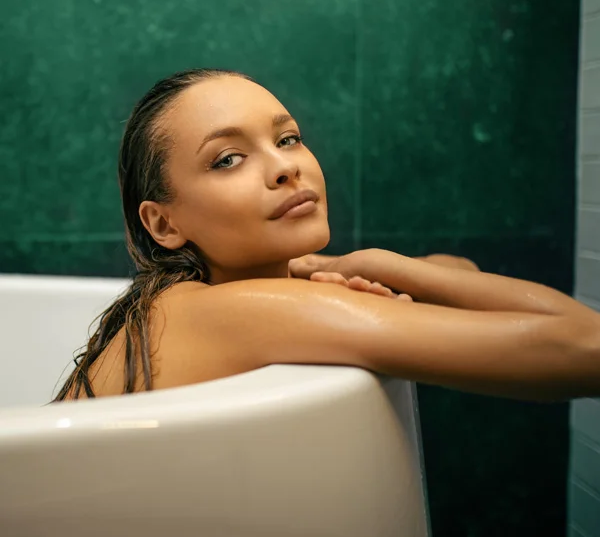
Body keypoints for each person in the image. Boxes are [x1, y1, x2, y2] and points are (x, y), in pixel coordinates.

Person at [53, 68, 600, 403]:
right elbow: (582, 345)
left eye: (288, 139)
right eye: (228, 159)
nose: (285, 168)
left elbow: (459, 270)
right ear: (164, 224)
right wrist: (386, 264)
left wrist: (358, 266)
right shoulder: (229, 311)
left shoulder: (213, 294)